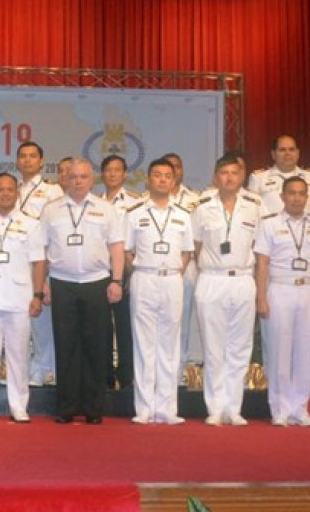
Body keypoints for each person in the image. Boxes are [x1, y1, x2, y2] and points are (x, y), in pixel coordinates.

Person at [41, 159, 124, 424]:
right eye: (73, 176)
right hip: (61, 282)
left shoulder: (106, 209)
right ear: (65, 179)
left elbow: (117, 247)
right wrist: (42, 283)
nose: (77, 181)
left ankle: (93, 408)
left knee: (96, 346)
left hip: (96, 282)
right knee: (66, 346)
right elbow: (41, 250)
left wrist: (117, 280)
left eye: (83, 177)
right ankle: (66, 408)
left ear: (92, 180)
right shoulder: (51, 210)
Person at [255, 176, 310, 426]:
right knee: (279, 350)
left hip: (308, 290)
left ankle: (300, 407)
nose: (297, 198)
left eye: (302, 193)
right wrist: (261, 297)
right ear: (282, 197)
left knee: (305, 350)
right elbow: (262, 263)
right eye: (292, 193)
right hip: (280, 289)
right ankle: (279, 408)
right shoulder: (269, 224)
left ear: (307, 197)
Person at [191, 155, 261, 426]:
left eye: (234, 173)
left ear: (242, 176)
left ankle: (234, 407)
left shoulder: (255, 206)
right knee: (213, 346)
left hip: (243, 278)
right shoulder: (202, 207)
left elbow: (260, 246)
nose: (229, 178)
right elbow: (195, 247)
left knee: (240, 346)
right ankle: (215, 407)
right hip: (212, 278)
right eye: (223, 173)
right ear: (215, 176)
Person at [0, 173, 46, 423]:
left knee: (18, 354)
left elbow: (38, 262)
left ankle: (19, 405)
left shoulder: (32, 223)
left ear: (17, 193)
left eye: (9, 190)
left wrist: (37, 295)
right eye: (0, 190)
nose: (4, 194)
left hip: (18, 298)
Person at [125, 158, 195, 425]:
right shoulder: (134, 213)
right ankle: (144, 408)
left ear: (174, 180)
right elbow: (128, 251)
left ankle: (167, 408)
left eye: (168, 175)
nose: (163, 179)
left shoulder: (183, 215)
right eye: (157, 175)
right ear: (148, 179)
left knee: (169, 344)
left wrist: (173, 271)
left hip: (172, 280)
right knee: (144, 344)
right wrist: (145, 270)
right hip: (144, 277)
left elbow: (188, 252)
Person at [16, 141, 63, 387]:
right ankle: (30, 369)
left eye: (32, 156)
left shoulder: (52, 192)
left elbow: (54, 236)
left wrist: (45, 277)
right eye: (22, 156)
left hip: (40, 263)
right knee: (25, 322)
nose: (27, 160)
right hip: (16, 264)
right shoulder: (11, 189)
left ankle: (49, 369)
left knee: (44, 323)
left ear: (42, 161)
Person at [162, 152, 203, 390]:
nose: (173, 172)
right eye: (167, 169)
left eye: (176, 167)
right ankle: (162, 372)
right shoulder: (148, 200)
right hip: (160, 267)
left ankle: (180, 371)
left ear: (181, 171)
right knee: (163, 322)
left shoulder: (195, 200)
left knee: (184, 321)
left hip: (187, 267)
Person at [100, 155, 138, 390]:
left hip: (126, 269)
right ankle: (104, 374)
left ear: (125, 174)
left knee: (125, 325)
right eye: (108, 170)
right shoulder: (95, 203)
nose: (113, 174)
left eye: (117, 170)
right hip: (100, 269)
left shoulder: (134, 203)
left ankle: (126, 376)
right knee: (102, 325)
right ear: (102, 175)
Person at [248, 135, 310, 215]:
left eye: (291, 149)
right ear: (273, 154)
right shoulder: (258, 178)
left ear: (298, 153)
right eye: (282, 150)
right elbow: (251, 212)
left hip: (305, 226)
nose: (287, 153)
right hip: (270, 227)